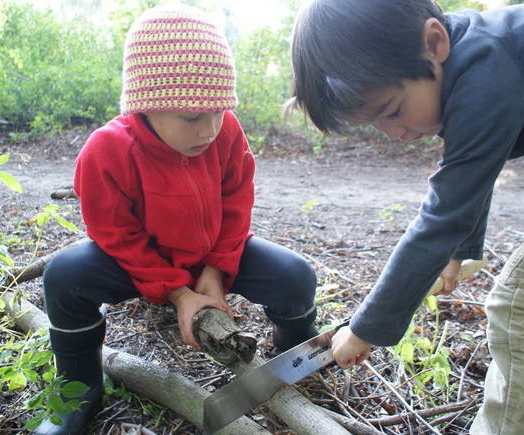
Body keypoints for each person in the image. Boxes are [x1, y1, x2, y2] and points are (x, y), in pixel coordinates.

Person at [287, 0, 524, 434]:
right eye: (378, 126)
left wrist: (364, 329)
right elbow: (475, 168)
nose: (397, 135)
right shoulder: (470, 63)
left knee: (522, 296)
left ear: (434, 42)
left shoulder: (488, 71)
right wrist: (458, 250)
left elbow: (442, 214)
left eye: (394, 111)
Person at [35, 5, 318, 434]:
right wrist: (177, 292)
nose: (209, 129)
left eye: (219, 110)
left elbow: (236, 202)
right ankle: (78, 386)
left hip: (209, 255)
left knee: (295, 275)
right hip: (140, 262)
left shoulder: (225, 132)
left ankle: (294, 358)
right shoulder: (108, 150)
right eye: (191, 117)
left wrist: (215, 271)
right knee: (64, 276)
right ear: (147, 105)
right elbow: (114, 233)